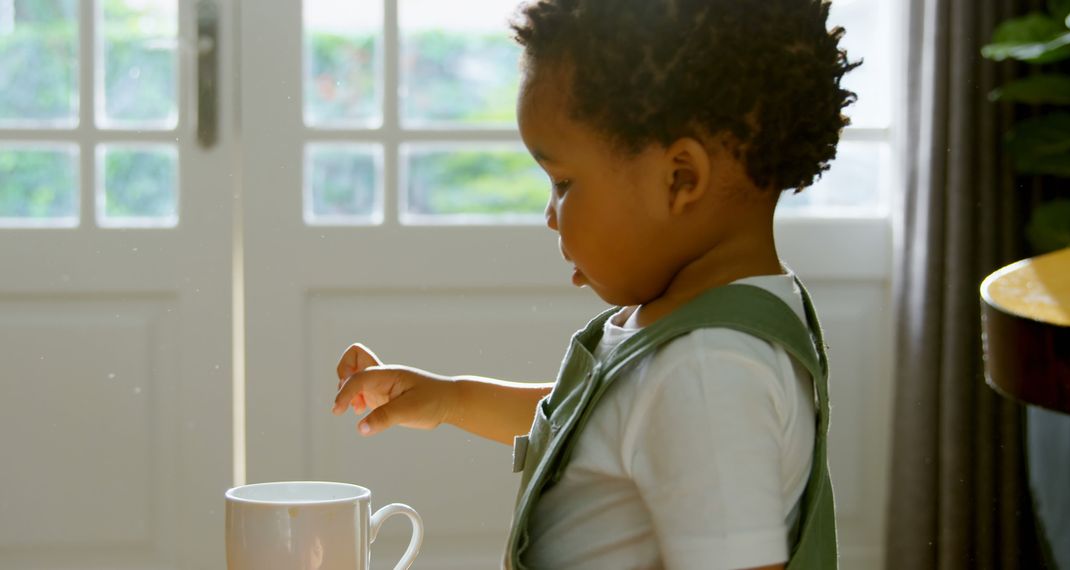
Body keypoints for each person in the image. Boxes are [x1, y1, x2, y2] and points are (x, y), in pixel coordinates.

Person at [332, 0, 859, 568]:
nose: (550, 214)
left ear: (681, 179)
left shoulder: (709, 372)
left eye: (563, 181)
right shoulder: (693, 337)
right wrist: (451, 398)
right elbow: (595, 419)